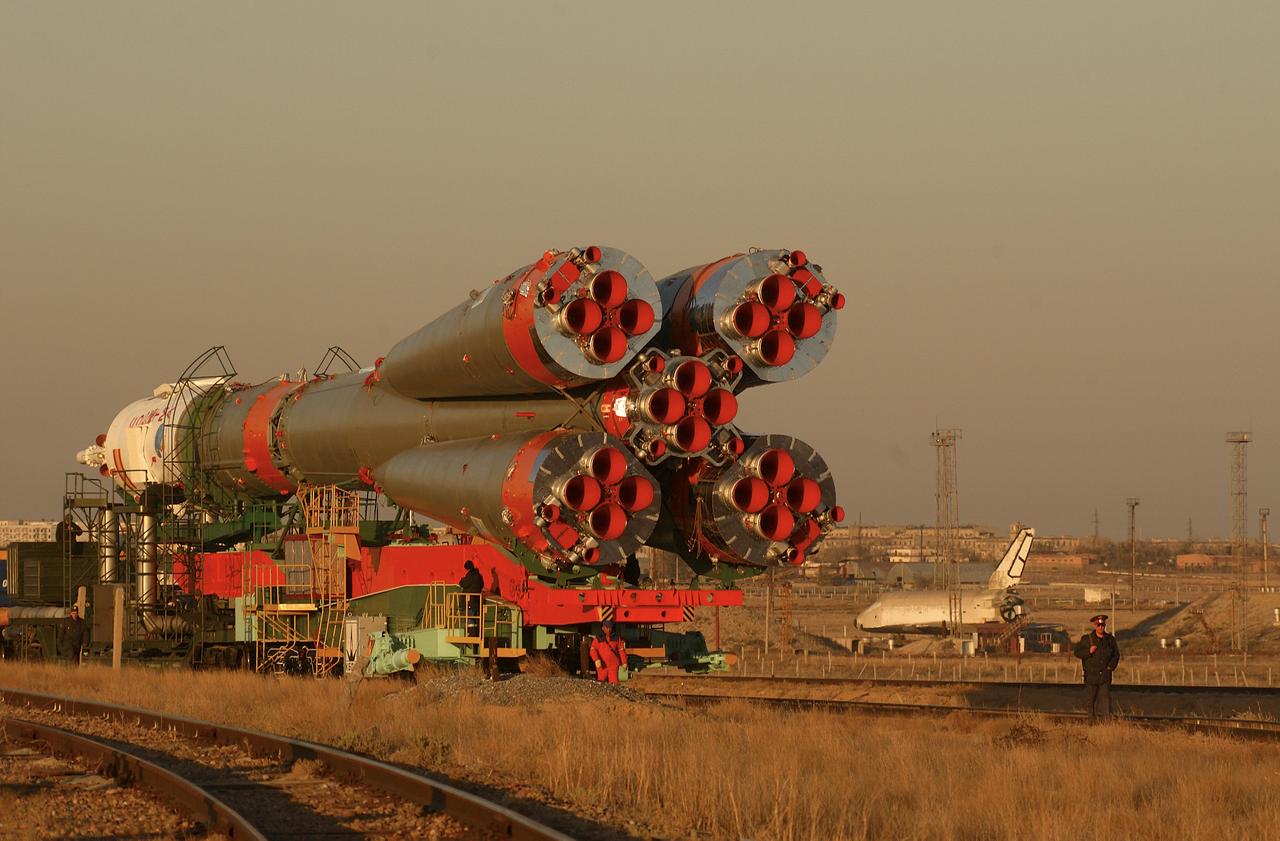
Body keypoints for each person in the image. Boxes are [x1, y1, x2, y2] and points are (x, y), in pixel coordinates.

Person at [1073, 613, 1120, 721]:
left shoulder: (1110, 640)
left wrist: (1110, 667)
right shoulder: (1086, 639)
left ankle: (1106, 723)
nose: (1101, 627)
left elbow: (1116, 655)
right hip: (1091, 675)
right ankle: (1091, 721)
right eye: (1098, 625)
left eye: (1102, 625)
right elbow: (1077, 652)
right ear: (1095, 626)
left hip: (1105, 676)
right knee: (1091, 700)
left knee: (1105, 700)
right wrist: (1088, 651)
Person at [589, 620, 628, 684]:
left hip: (613, 665)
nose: (609, 629)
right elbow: (592, 650)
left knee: (614, 683)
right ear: (603, 628)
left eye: (610, 627)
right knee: (601, 682)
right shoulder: (598, 638)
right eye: (607, 628)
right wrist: (596, 660)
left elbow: (621, 650)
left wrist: (624, 662)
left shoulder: (617, 638)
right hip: (602, 665)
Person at [458, 560, 484, 639]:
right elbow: (482, 585)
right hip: (477, 601)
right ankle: (476, 634)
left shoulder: (470, 575)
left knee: (469, 619)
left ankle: (471, 635)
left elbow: (463, 583)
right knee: (475, 619)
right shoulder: (479, 576)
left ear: (467, 568)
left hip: (469, 601)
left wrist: (462, 579)